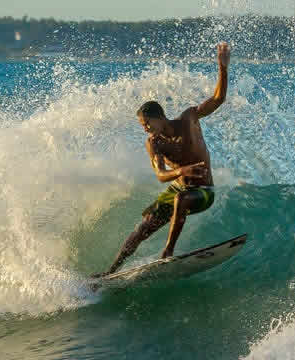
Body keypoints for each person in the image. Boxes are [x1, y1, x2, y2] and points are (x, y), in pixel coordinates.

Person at [95, 42, 231, 277]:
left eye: (147, 124)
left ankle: (167, 252)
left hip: (204, 191)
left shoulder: (189, 119)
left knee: (182, 198)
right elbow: (160, 175)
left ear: (160, 117)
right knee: (142, 228)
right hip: (178, 186)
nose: (146, 129)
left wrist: (222, 67)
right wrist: (180, 172)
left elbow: (218, 99)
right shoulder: (153, 143)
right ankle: (109, 272)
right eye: (142, 126)